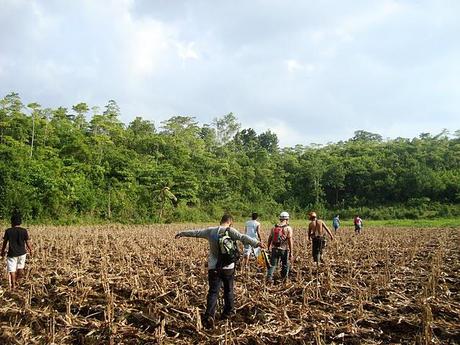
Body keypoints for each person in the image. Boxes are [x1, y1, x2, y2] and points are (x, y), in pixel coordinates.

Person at [175, 214, 265, 328]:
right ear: (230, 222)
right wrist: (257, 243)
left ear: (221, 221)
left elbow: (195, 232)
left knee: (213, 292)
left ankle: (209, 316)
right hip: (228, 268)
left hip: (214, 268)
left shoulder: (210, 231)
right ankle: (228, 313)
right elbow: (243, 237)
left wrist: (181, 233)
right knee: (228, 290)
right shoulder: (231, 231)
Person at [1, 211, 33, 290]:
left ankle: (13, 285)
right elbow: (27, 241)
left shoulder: (8, 231)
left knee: (12, 270)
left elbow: (5, 242)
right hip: (22, 253)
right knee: (20, 268)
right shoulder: (24, 231)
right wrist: (31, 249)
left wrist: (2, 251)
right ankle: (17, 281)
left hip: (12, 253)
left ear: (12, 222)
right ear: (20, 222)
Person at [266, 211, 293, 283]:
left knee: (273, 265)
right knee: (285, 265)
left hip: (274, 249)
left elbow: (270, 238)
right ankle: (284, 279)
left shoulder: (274, 228)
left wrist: (268, 247)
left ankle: (269, 278)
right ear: (287, 219)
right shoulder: (288, 228)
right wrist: (291, 251)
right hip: (284, 250)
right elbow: (290, 240)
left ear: (280, 219)